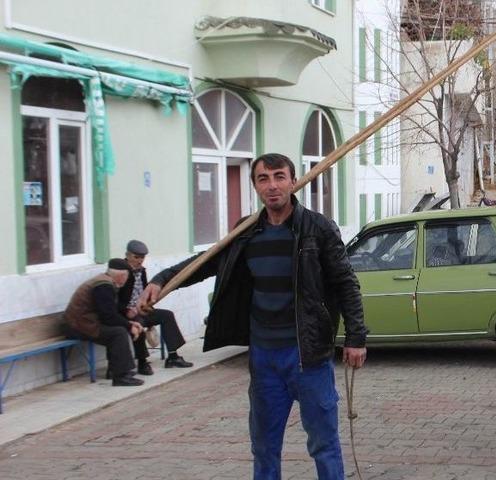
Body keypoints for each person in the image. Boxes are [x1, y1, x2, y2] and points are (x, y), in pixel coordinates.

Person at [139, 153, 368, 480]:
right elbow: (204, 261)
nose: (272, 185)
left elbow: (346, 283)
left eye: (279, 176)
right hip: (264, 358)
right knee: (264, 445)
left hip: (307, 356)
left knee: (323, 442)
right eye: (263, 178)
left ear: (293, 181)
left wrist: (356, 338)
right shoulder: (246, 232)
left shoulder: (317, 229)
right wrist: (162, 280)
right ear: (256, 186)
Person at [62, 258, 145, 387]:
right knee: (118, 333)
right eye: (127, 277)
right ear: (122, 276)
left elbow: (110, 313)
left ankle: (117, 371)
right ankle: (120, 376)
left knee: (118, 331)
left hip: (83, 323)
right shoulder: (103, 286)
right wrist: (129, 325)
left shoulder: (104, 281)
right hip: (78, 326)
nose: (127, 280)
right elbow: (108, 316)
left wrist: (130, 323)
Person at [119, 239, 193, 375]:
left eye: (142, 258)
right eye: (136, 257)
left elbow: (144, 292)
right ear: (128, 255)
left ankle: (173, 356)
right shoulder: (120, 271)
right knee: (138, 323)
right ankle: (142, 362)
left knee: (167, 315)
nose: (140, 261)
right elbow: (116, 299)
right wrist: (127, 310)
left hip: (141, 310)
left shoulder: (141, 271)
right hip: (125, 314)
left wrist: (148, 305)